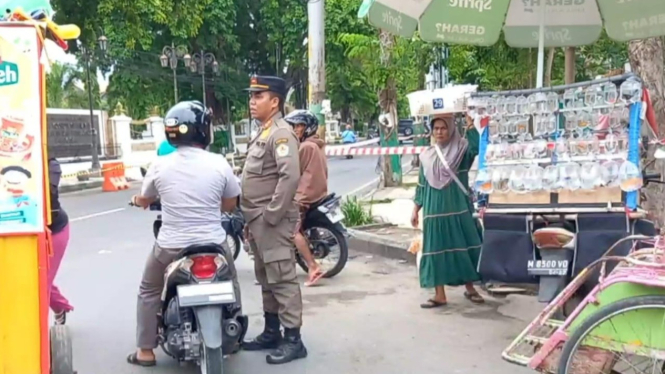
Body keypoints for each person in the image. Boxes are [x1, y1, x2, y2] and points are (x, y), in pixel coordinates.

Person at [126, 100, 241, 367]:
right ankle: (234, 331)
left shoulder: (159, 165)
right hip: (213, 243)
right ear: (203, 130)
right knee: (231, 281)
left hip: (170, 246)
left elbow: (146, 198)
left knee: (149, 289)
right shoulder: (219, 162)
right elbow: (230, 204)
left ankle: (145, 350)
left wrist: (138, 201)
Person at [241, 75, 307, 365]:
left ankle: (294, 339)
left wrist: (272, 214)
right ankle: (272, 330)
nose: (252, 102)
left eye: (259, 96)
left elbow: (289, 176)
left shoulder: (281, 134)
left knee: (282, 277)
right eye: (252, 96)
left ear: (275, 101)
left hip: (271, 221)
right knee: (266, 277)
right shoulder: (263, 132)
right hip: (256, 220)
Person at [410, 113, 485, 309]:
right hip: (434, 211)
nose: (439, 132)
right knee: (436, 250)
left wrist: (470, 125)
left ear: (451, 129)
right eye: (436, 128)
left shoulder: (461, 151)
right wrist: (416, 208)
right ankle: (439, 294)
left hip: (458, 208)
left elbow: (475, 147)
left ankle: (471, 289)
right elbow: (421, 185)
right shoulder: (426, 156)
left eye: (443, 128)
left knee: (464, 247)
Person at [284, 109, 328, 287]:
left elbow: (293, 171)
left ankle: (312, 266)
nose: (294, 130)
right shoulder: (317, 144)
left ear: (306, 127)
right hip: (317, 191)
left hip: (304, 195)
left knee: (291, 230)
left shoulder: (305, 147)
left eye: (298, 126)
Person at [47, 158, 74, 325]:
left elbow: (49, 192)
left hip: (54, 231)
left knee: (41, 283)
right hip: (18, 231)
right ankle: (60, 306)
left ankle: (35, 338)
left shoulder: (51, 165)